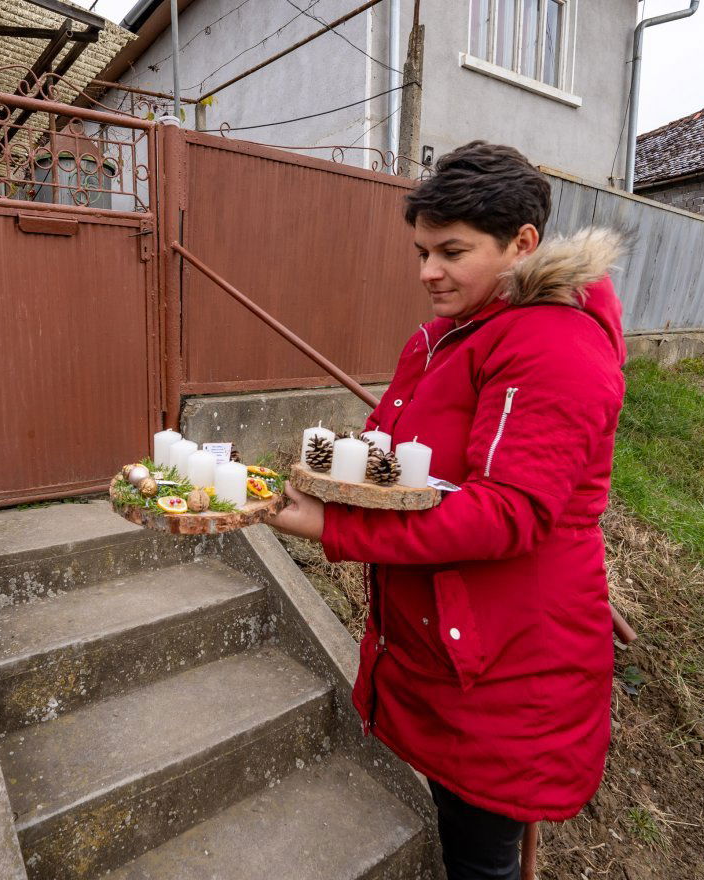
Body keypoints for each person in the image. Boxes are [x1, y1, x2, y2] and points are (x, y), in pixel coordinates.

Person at [267, 142, 627, 880]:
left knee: (481, 849)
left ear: (522, 243)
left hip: (510, 654)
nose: (427, 272)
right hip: (454, 643)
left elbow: (509, 513)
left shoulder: (553, 343)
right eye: (422, 251)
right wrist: (330, 475)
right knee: (459, 819)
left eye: (451, 252)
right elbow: (413, 468)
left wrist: (336, 528)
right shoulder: (446, 337)